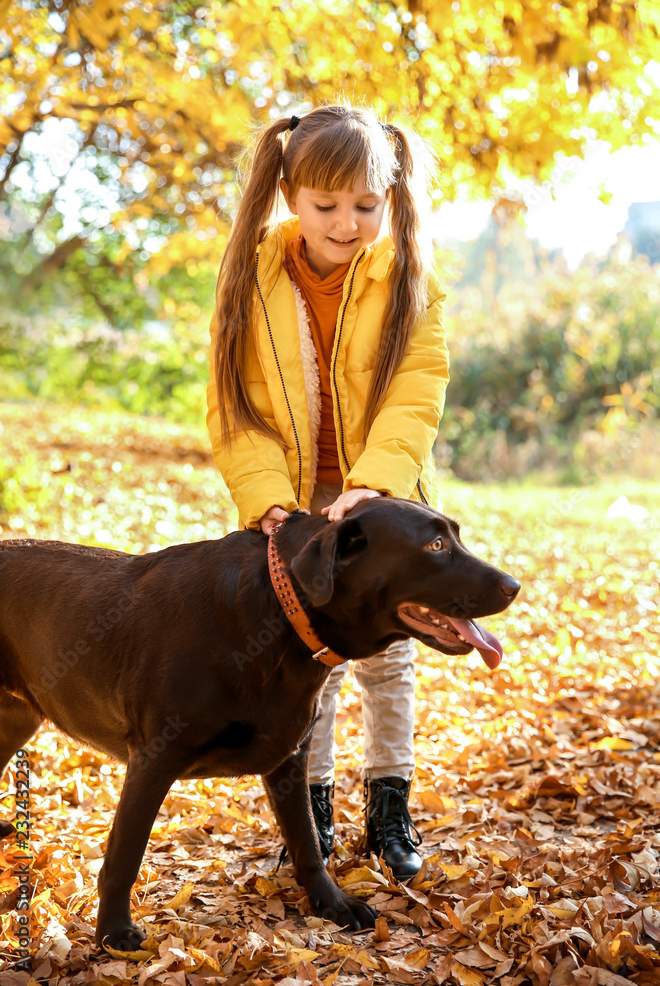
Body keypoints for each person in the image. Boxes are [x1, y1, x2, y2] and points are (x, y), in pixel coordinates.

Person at [206, 103, 449, 881]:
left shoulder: (409, 275)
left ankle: (389, 803)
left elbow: (416, 391)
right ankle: (308, 808)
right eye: (327, 205)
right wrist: (269, 499)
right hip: (292, 500)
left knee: (386, 655)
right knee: (306, 656)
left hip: (382, 493)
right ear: (288, 195)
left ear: (389, 198)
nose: (347, 224)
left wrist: (377, 483)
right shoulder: (250, 276)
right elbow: (232, 404)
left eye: (366, 206)